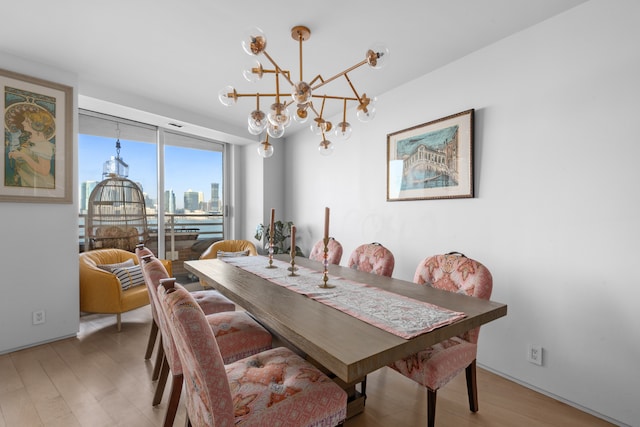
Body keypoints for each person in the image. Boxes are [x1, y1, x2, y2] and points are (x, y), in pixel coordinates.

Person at [6, 107, 55, 189]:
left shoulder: (44, 145)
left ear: (36, 125)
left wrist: (23, 156)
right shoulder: (29, 139)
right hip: (27, 183)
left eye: (26, 121)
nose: (23, 123)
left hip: (41, 184)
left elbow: (44, 171)